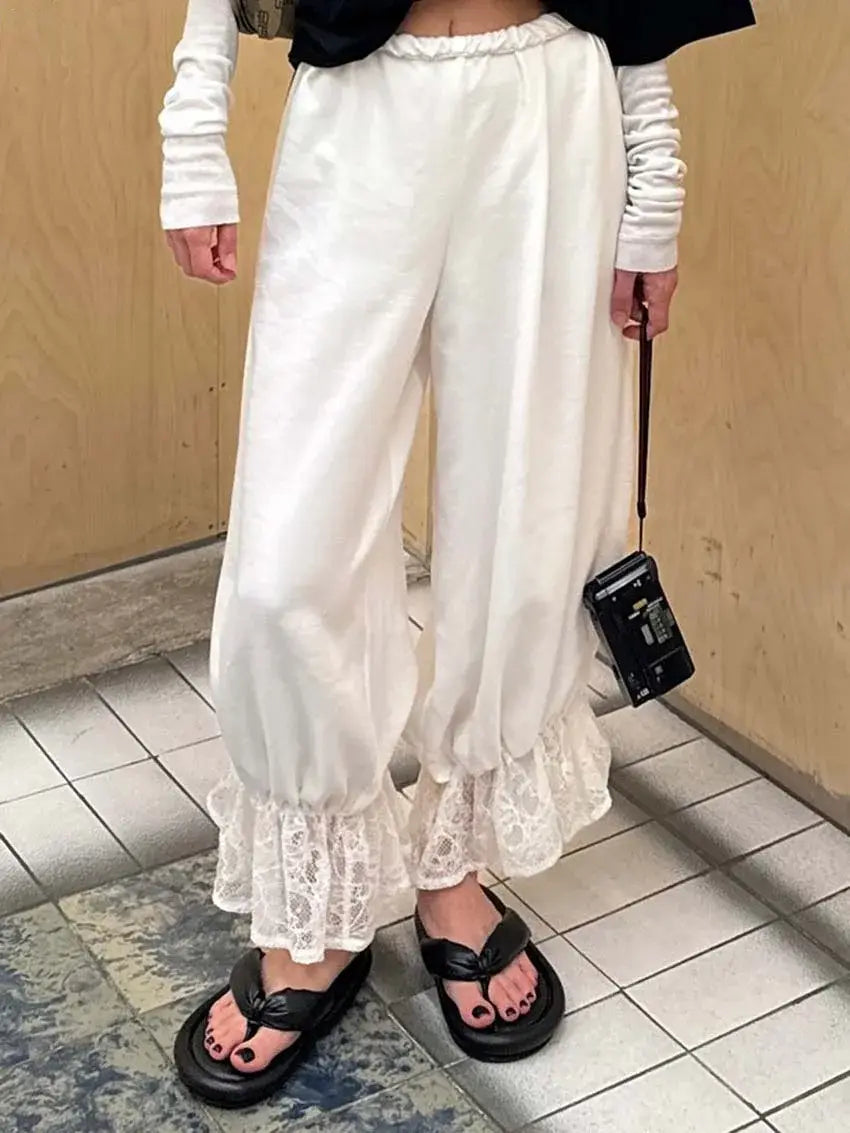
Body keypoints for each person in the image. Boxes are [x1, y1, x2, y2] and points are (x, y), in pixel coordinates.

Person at [160, 0, 756, 1108]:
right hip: (363, 104)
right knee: (289, 558)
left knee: (528, 516)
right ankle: (317, 913)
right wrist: (193, 129)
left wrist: (655, 184)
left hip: (551, 100)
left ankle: (452, 869)